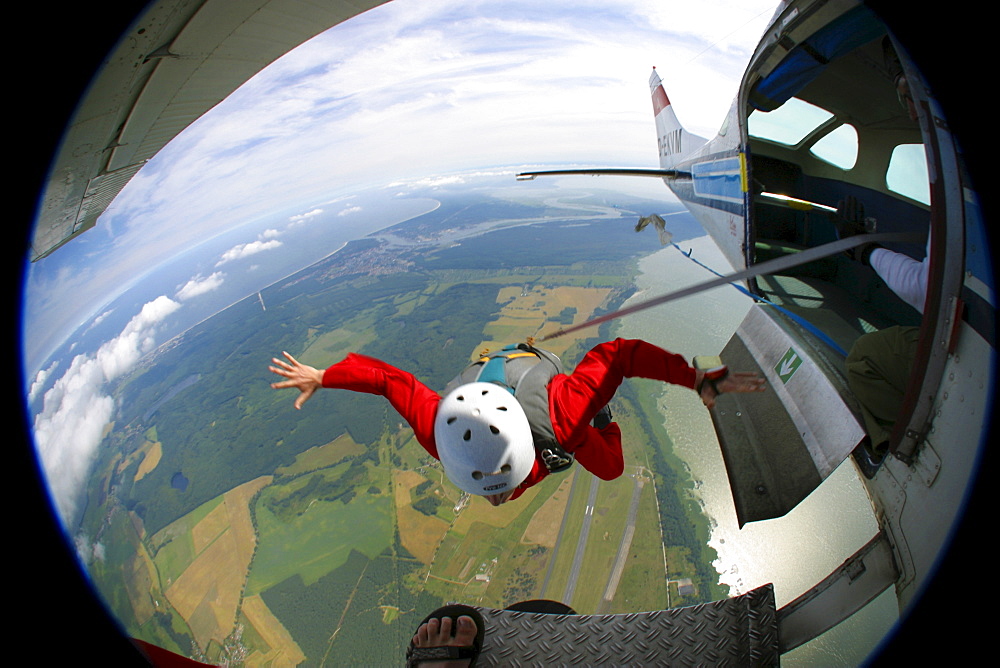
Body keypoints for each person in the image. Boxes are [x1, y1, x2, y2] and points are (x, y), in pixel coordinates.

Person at [269, 338, 766, 506]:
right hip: (510, 380)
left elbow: (620, 354)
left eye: (497, 489)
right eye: (493, 490)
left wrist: (697, 376)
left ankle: (605, 415)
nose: (498, 498)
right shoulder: (442, 432)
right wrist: (323, 375)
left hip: (547, 400)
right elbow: (388, 381)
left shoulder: (565, 417)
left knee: (610, 466)